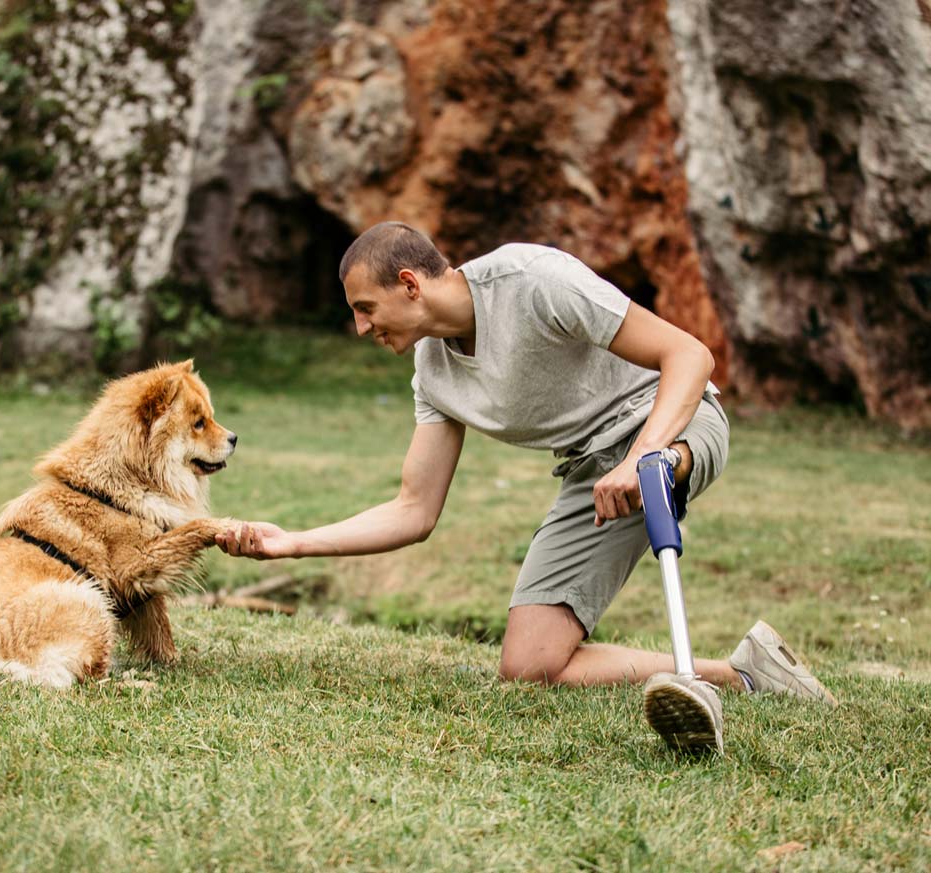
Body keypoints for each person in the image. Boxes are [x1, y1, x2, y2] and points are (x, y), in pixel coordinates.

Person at [215, 221, 836, 753]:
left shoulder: (532, 279)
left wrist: (645, 453)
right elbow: (414, 510)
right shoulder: (432, 372)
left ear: (409, 284)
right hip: (593, 474)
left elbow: (691, 357)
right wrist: (290, 543)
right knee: (530, 665)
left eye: (365, 308)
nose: (359, 328)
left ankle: (656, 474)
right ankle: (745, 675)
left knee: (650, 472)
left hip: (671, 423)